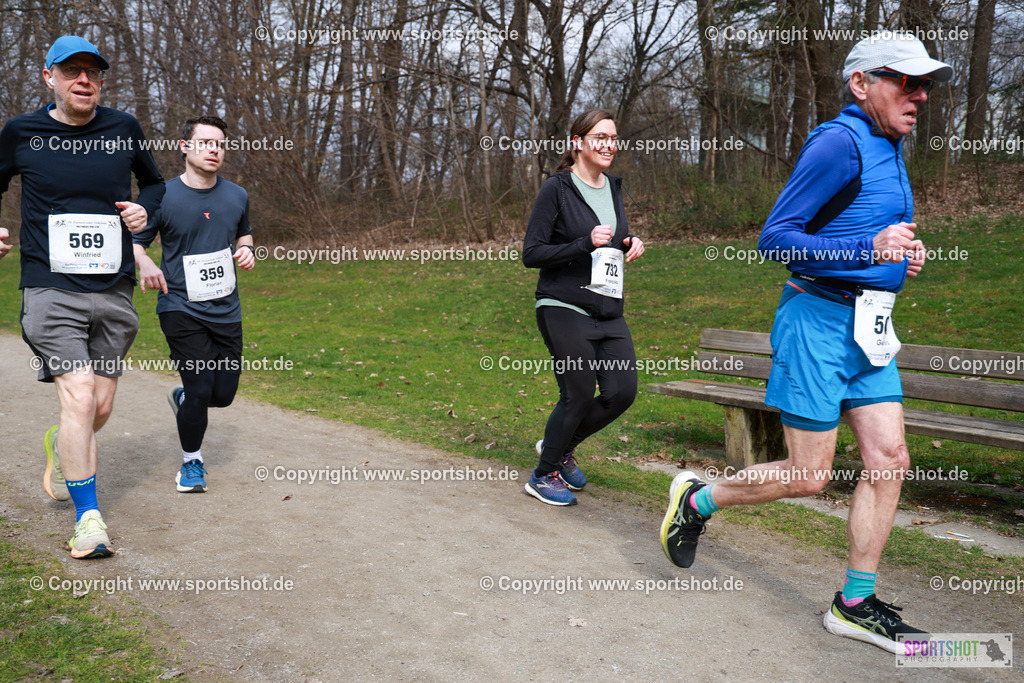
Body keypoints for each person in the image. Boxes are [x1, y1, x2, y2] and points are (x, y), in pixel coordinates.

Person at [661, 32, 950, 653]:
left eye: (925, 83)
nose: (920, 95)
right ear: (861, 83)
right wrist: (866, 252)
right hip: (816, 324)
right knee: (808, 475)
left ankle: (854, 602)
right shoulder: (837, 144)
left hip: (869, 330)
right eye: (906, 81)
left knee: (890, 459)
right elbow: (776, 239)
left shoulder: (891, 146)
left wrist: (899, 259)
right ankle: (698, 498)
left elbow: (866, 232)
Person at [0, 36, 165, 558]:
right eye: (72, 71)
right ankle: (87, 520)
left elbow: (155, 186)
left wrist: (146, 216)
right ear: (49, 76)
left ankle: (61, 441)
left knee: (99, 405)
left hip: (112, 285)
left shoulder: (123, 129)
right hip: (50, 285)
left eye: (92, 72)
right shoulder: (22, 132)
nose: (84, 80)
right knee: (78, 393)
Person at [522, 109, 645, 505]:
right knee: (577, 390)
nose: (610, 144)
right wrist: (584, 243)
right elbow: (532, 253)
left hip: (607, 309)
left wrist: (628, 243)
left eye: (613, 137)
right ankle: (543, 476)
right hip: (563, 304)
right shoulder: (556, 189)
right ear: (578, 142)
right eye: (600, 137)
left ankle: (558, 448)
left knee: (622, 392)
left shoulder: (613, 186)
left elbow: (609, 240)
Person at [134, 116, 254, 493]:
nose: (213, 150)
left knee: (222, 396)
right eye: (204, 143)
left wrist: (246, 248)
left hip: (226, 309)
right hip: (179, 306)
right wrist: (146, 261)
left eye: (219, 144)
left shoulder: (237, 195)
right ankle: (191, 464)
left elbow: (243, 231)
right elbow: (136, 241)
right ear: (185, 147)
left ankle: (185, 398)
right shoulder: (162, 195)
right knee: (202, 388)